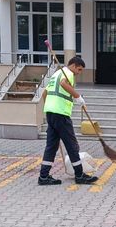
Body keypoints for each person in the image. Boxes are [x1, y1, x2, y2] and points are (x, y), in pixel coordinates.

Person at [38, 57, 98, 186]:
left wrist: (49, 106)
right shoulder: (67, 73)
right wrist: (78, 97)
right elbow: (64, 84)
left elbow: (45, 93)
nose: (79, 73)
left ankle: (43, 176)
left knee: (51, 146)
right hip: (61, 114)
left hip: (50, 112)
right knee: (72, 145)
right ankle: (79, 175)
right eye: (79, 69)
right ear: (74, 66)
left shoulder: (56, 74)